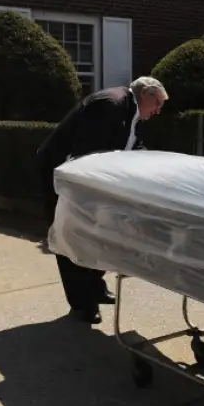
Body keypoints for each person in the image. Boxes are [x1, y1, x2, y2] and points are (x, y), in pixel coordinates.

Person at [36, 76, 168, 324]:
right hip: (63, 176)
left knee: (101, 234)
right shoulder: (110, 105)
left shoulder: (132, 112)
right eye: (158, 103)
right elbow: (89, 153)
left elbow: (131, 146)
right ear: (147, 94)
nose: (158, 110)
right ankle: (82, 304)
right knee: (71, 237)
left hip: (85, 179)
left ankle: (94, 287)